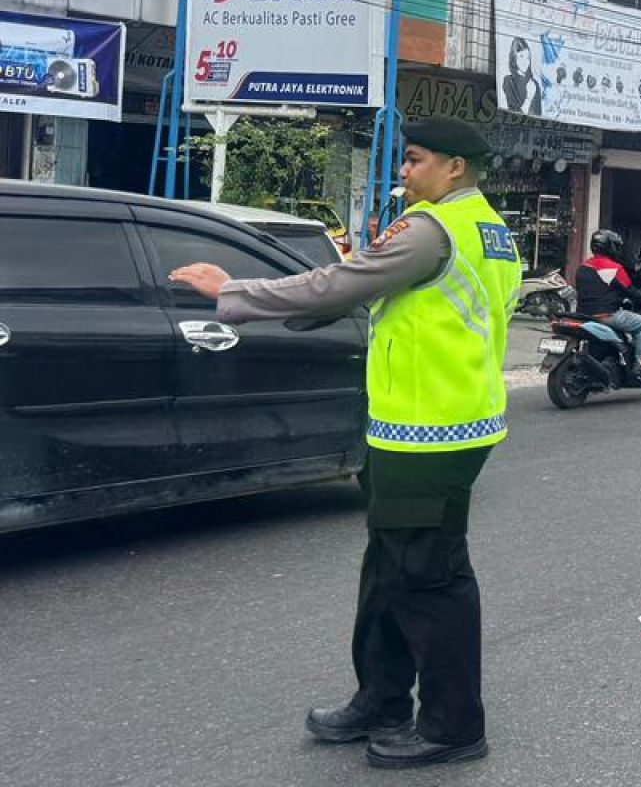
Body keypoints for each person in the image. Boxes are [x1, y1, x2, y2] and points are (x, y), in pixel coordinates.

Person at [168, 118, 518, 770]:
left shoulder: (434, 230)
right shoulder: (488, 230)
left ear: (454, 169)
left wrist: (233, 291)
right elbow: (367, 289)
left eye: (414, 161)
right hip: (428, 423)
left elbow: (340, 285)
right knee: (389, 567)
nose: (404, 173)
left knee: (428, 575)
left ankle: (453, 725)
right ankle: (381, 699)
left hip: (432, 432)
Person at [575, 229, 641, 384]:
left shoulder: (584, 266)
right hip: (607, 316)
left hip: (583, 315)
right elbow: (631, 292)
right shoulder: (614, 268)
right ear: (610, 247)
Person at [501, 38, 543, 117]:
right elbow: (514, 115)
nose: (525, 61)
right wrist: (529, 98)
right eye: (521, 56)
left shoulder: (534, 84)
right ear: (514, 57)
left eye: (528, 57)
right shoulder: (509, 81)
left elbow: (539, 115)